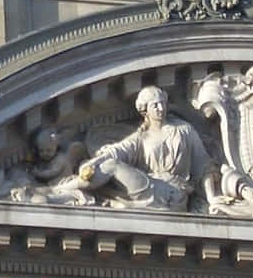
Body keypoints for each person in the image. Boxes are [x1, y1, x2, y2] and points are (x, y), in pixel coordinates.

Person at [74, 86, 214, 209]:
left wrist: (212, 198)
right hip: (151, 186)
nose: (161, 108)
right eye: (155, 105)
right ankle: (66, 189)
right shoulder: (142, 137)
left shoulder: (183, 130)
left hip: (173, 194)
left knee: (111, 167)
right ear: (145, 110)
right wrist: (95, 161)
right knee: (109, 165)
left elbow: (204, 166)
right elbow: (118, 151)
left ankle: (66, 189)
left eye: (162, 103)